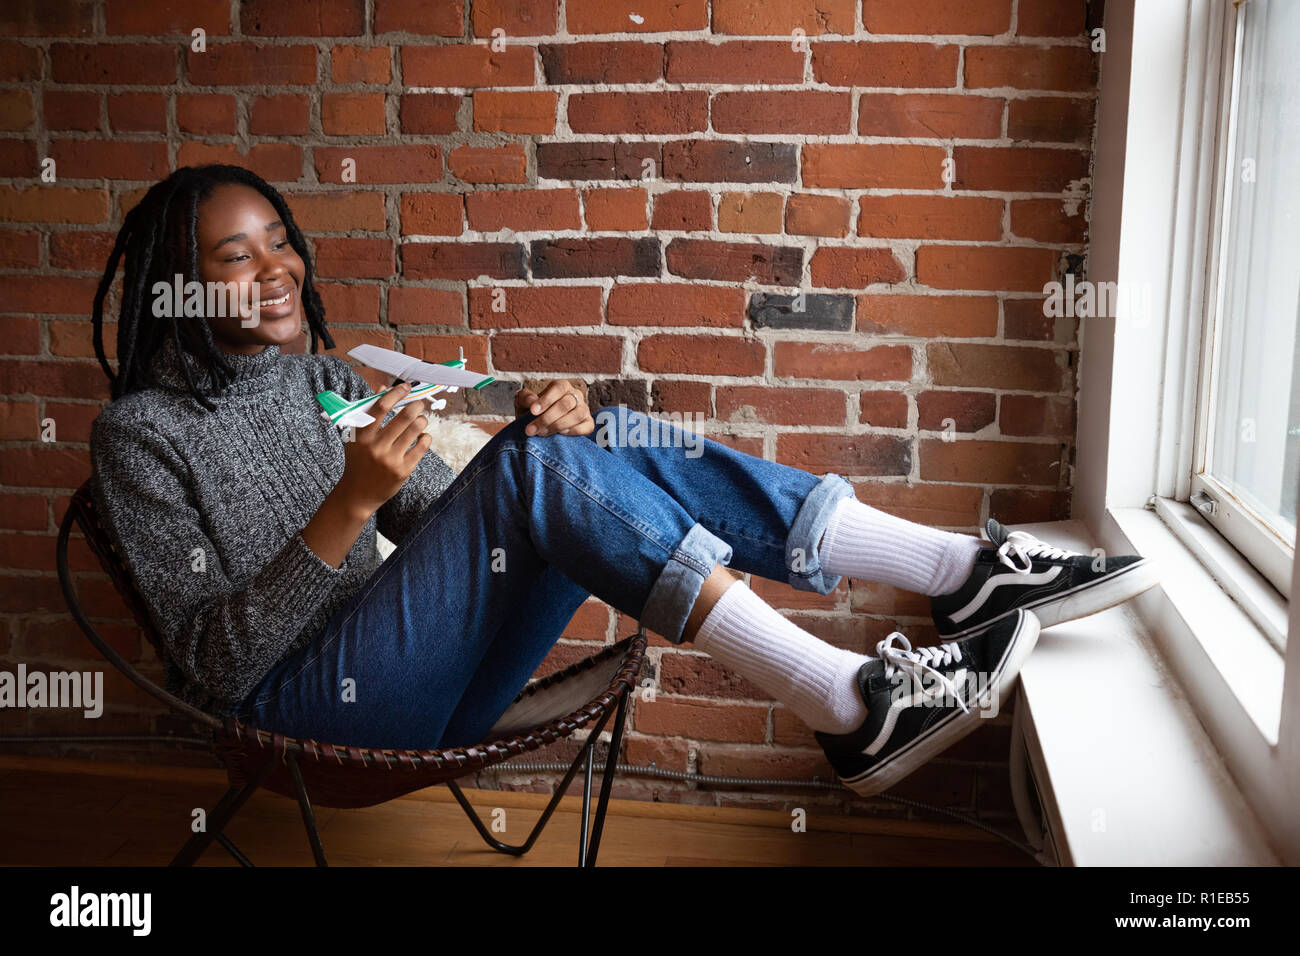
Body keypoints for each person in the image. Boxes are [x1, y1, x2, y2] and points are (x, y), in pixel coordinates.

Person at [87, 165, 1160, 798]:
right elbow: (214, 663)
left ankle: (955, 573)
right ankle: (847, 688)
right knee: (549, 466)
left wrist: (537, 438)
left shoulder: (326, 382)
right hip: (308, 719)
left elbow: (437, 521)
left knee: (573, 437)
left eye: (280, 240)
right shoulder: (137, 438)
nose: (277, 269)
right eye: (235, 256)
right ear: (177, 284)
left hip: (425, 679)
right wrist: (346, 506)